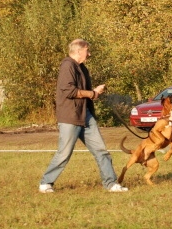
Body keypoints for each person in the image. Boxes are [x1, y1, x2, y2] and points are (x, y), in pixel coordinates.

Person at [39, 38, 128, 193]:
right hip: (70, 116)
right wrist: (93, 93)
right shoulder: (68, 65)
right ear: (79, 51)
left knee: (101, 150)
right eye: (87, 50)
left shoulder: (81, 67)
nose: (89, 53)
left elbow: (82, 91)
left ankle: (111, 183)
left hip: (85, 115)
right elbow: (69, 91)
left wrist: (95, 93)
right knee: (64, 153)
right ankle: (46, 183)